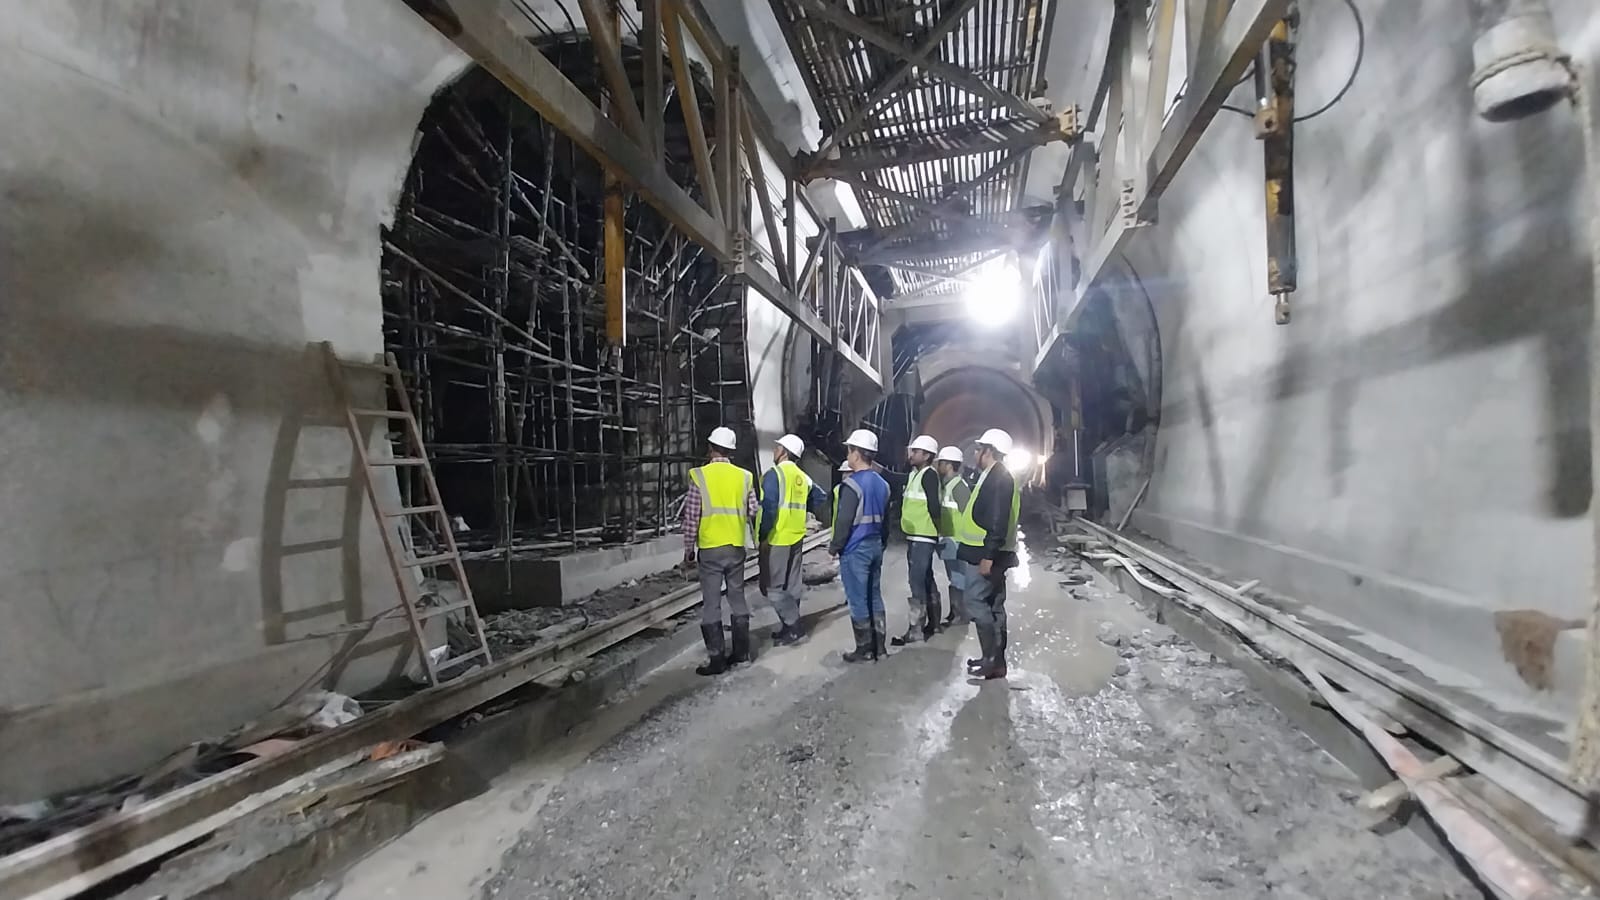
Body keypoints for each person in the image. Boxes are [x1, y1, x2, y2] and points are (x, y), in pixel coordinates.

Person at [682, 426, 759, 676]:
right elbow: (753, 510)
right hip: (736, 547)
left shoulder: (699, 476)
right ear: (731, 451)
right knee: (737, 598)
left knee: (711, 603)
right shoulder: (745, 476)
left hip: (710, 549)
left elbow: (692, 516)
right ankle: (742, 654)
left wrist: (688, 550)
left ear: (710, 448)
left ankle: (717, 660)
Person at [954, 428, 1020, 680]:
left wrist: (988, 556)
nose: (976, 454)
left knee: (976, 601)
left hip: (986, 553)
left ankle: (992, 659)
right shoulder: (992, 475)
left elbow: (996, 520)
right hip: (989, 551)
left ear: (988, 451)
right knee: (994, 604)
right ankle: (994, 660)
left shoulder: (999, 478)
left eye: (979, 449)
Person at [759, 433, 828, 646]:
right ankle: (788, 628)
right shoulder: (802, 477)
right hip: (797, 536)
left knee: (773, 588)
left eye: (777, 447)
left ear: (784, 452)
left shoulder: (775, 475)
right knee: (792, 585)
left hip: (778, 537)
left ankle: (794, 626)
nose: (774, 450)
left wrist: (762, 536)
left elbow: (769, 508)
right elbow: (821, 497)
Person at [830, 429, 889, 663]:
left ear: (856, 453)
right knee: (874, 596)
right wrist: (881, 544)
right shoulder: (883, 484)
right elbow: (885, 520)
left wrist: (834, 547)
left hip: (855, 548)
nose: (848, 454)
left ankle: (864, 649)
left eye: (849, 450)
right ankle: (880, 648)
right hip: (875, 545)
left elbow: (843, 521)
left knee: (857, 599)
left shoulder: (852, 485)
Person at [892, 435, 944, 646]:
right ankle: (934, 623)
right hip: (917, 535)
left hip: (923, 537)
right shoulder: (916, 474)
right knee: (926, 579)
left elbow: (934, 506)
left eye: (916, 452)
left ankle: (916, 629)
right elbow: (895, 477)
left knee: (916, 582)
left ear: (927, 455)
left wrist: (938, 533)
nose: (911, 454)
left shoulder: (928, 475)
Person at [935, 445, 971, 628]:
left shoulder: (959, 487)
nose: (938, 466)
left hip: (957, 541)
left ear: (949, 465)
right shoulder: (947, 486)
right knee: (954, 578)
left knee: (959, 578)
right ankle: (955, 612)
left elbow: (969, 516)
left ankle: (962, 615)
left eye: (940, 463)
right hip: (949, 539)